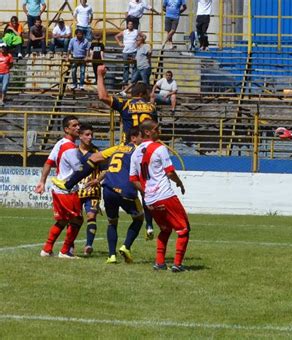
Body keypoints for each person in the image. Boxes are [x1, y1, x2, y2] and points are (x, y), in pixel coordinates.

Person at [130, 119, 190, 272]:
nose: (160, 131)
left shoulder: (135, 152)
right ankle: (177, 264)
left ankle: (160, 262)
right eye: (157, 128)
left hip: (150, 200)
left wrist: (146, 192)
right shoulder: (159, 148)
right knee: (183, 229)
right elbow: (169, 172)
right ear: (148, 132)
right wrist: (179, 182)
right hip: (165, 195)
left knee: (165, 229)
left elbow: (133, 179)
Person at [34, 115, 83, 259]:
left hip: (58, 188)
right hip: (67, 189)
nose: (78, 128)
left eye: (78, 125)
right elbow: (80, 169)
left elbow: (48, 162)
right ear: (67, 129)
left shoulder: (60, 143)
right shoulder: (69, 147)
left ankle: (47, 249)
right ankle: (65, 251)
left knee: (62, 220)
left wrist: (42, 181)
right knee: (77, 220)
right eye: (74, 126)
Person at [102, 127, 144, 264]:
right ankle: (126, 246)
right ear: (133, 138)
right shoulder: (137, 150)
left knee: (112, 221)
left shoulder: (117, 149)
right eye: (141, 137)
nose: (144, 140)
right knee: (139, 218)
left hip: (108, 188)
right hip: (125, 189)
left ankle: (111, 255)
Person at [77, 123, 105, 256]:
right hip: (76, 190)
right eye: (87, 135)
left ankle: (88, 245)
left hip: (93, 191)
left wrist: (98, 180)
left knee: (91, 215)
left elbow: (105, 169)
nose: (90, 137)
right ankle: (69, 245)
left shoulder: (96, 152)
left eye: (91, 135)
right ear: (80, 136)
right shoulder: (73, 151)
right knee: (74, 218)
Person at [115, 20, 139, 86]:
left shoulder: (136, 31)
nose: (130, 25)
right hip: (125, 51)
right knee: (126, 66)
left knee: (134, 67)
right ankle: (125, 80)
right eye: (129, 24)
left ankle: (133, 81)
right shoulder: (124, 32)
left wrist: (139, 43)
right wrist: (119, 43)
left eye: (131, 24)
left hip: (134, 51)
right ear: (127, 25)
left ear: (133, 25)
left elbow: (144, 36)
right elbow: (116, 36)